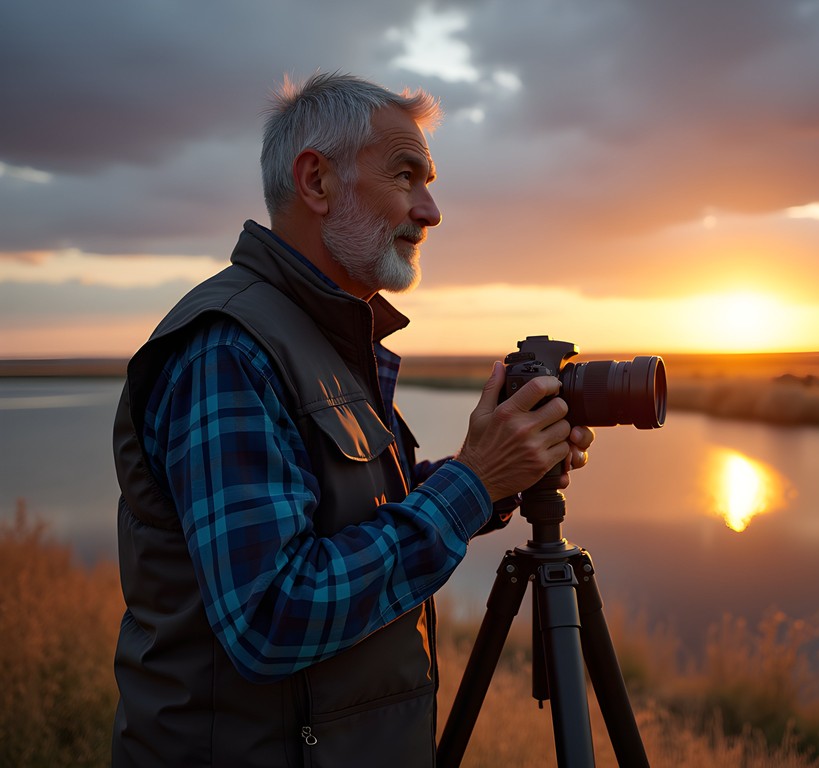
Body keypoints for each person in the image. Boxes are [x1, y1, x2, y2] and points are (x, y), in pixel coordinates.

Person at [110, 72, 594, 766]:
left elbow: (353, 518)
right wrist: (470, 486)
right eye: (407, 176)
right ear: (317, 182)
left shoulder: (323, 336)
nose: (431, 212)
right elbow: (273, 615)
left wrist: (493, 474)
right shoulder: (226, 350)